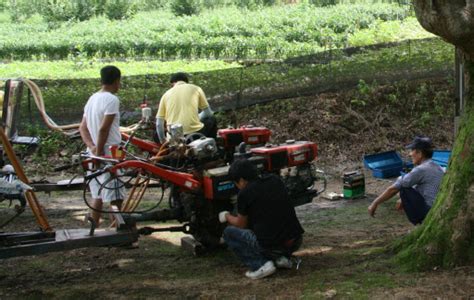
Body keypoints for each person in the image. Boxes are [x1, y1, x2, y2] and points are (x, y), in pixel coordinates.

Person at [218, 159, 304, 280]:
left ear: (242, 180)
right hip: (295, 240)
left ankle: (260, 265)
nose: (237, 186)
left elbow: (241, 224)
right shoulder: (275, 179)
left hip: (271, 246)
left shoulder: (245, 193)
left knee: (229, 233)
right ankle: (280, 258)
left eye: (236, 183)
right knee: (268, 226)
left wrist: (226, 215)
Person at [79, 65, 125, 226]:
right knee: (115, 193)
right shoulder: (112, 99)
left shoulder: (92, 98)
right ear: (117, 81)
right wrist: (98, 153)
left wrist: (91, 147)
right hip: (109, 152)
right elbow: (104, 129)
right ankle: (119, 231)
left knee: (98, 192)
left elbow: (82, 127)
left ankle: (94, 225)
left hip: (93, 151)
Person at [368, 136, 445, 225]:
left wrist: (375, 203)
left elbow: (393, 189)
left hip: (428, 211)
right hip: (438, 207)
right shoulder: (438, 167)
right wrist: (401, 199)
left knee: (403, 187)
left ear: (419, 153)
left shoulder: (421, 169)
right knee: (406, 184)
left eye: (412, 151)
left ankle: (419, 222)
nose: (410, 154)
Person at [155, 72, 216, 144]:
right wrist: (197, 117)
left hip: (174, 138)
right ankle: (211, 147)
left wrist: (163, 141)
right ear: (186, 82)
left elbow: (159, 124)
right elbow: (208, 113)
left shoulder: (165, 95)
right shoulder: (196, 89)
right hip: (196, 133)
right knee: (212, 119)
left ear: (173, 83)